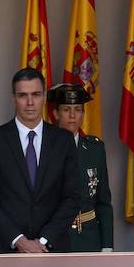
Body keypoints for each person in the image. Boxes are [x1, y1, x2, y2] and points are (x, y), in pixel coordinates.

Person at [0, 68, 84, 254]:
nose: (30, 102)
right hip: (2, 249)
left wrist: (43, 240)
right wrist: (19, 240)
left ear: (44, 97)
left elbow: (73, 197)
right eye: (23, 95)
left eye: (36, 94)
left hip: (51, 249)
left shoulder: (63, 141)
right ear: (14, 98)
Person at [48, 82, 113, 252]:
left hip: (89, 238)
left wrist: (107, 245)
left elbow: (103, 201)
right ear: (56, 113)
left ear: (83, 114)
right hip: (54, 237)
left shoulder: (95, 149)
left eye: (77, 109)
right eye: (66, 110)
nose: (72, 115)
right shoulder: (43, 149)